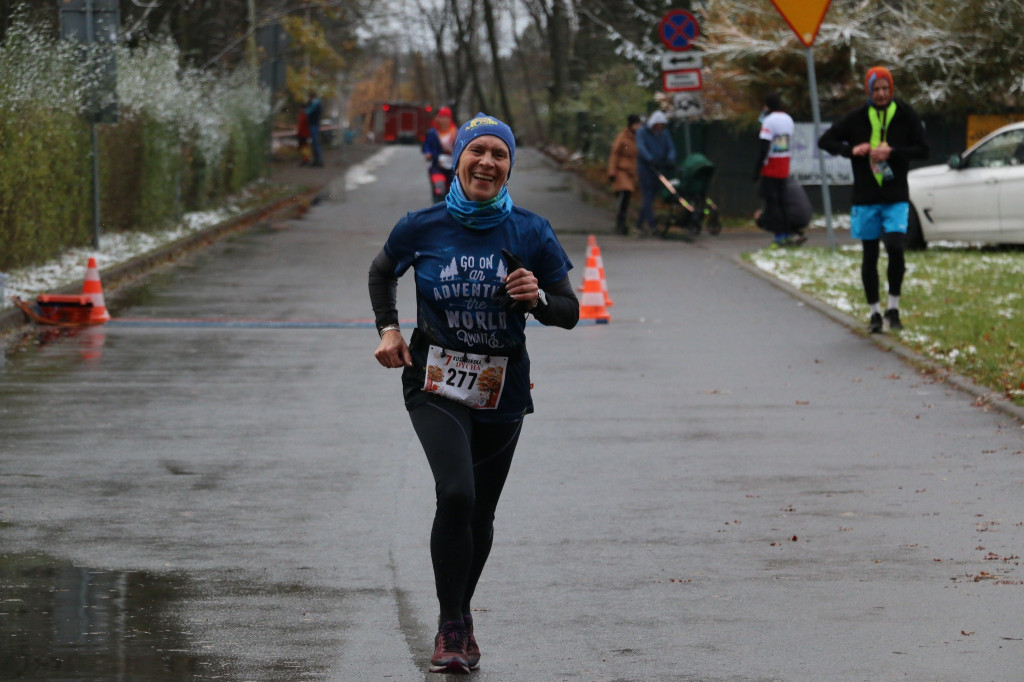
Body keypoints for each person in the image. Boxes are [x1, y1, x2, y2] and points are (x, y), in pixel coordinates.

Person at [368, 112, 579, 674]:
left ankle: (458, 618)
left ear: (510, 167)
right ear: (458, 157)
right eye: (477, 150)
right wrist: (388, 329)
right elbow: (381, 271)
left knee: (481, 510)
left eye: (500, 154)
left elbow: (570, 312)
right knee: (456, 494)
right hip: (435, 380)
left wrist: (535, 298)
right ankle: (451, 625)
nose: (487, 161)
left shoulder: (531, 231)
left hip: (502, 386)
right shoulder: (422, 225)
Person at [818, 66, 929, 333]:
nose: (881, 94)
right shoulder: (856, 118)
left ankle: (894, 308)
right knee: (869, 255)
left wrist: (892, 152)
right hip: (866, 197)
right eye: (876, 89)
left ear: (892, 89)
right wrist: (851, 150)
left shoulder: (905, 114)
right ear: (869, 91)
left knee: (894, 246)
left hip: (895, 195)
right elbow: (825, 140)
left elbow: (923, 149)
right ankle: (875, 314)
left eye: (885, 88)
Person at [754, 93, 798, 246]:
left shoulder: (768, 121)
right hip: (784, 166)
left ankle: (779, 237)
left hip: (770, 168)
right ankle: (787, 233)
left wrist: (757, 169)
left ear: (767, 106)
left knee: (773, 204)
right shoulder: (788, 119)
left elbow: (764, 147)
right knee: (783, 202)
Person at [635, 110, 676, 236]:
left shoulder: (664, 134)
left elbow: (670, 147)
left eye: (661, 125)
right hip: (646, 168)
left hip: (659, 167)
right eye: (657, 125)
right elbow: (641, 148)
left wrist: (670, 159)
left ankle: (639, 223)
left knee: (651, 196)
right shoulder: (642, 132)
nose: (659, 128)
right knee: (648, 195)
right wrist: (650, 159)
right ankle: (652, 224)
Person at [607, 114, 641, 234]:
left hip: (633, 171)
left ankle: (623, 221)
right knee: (625, 193)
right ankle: (620, 222)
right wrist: (612, 171)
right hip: (622, 170)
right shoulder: (622, 137)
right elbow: (614, 154)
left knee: (628, 197)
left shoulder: (639, 136)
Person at [422, 106, 458, 202]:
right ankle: (437, 206)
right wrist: (428, 153)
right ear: (438, 118)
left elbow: (461, 146)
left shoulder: (456, 132)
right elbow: (426, 146)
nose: (444, 120)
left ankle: (449, 208)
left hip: (452, 167)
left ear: (450, 119)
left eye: (447, 117)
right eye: (442, 117)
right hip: (436, 165)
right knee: (439, 187)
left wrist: (454, 151)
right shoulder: (433, 133)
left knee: (452, 190)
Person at [305, 91, 323, 167]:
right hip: (314, 125)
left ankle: (318, 160)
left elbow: (307, 111)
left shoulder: (315, 104)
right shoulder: (317, 104)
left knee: (315, 143)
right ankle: (317, 160)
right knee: (314, 143)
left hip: (313, 125)